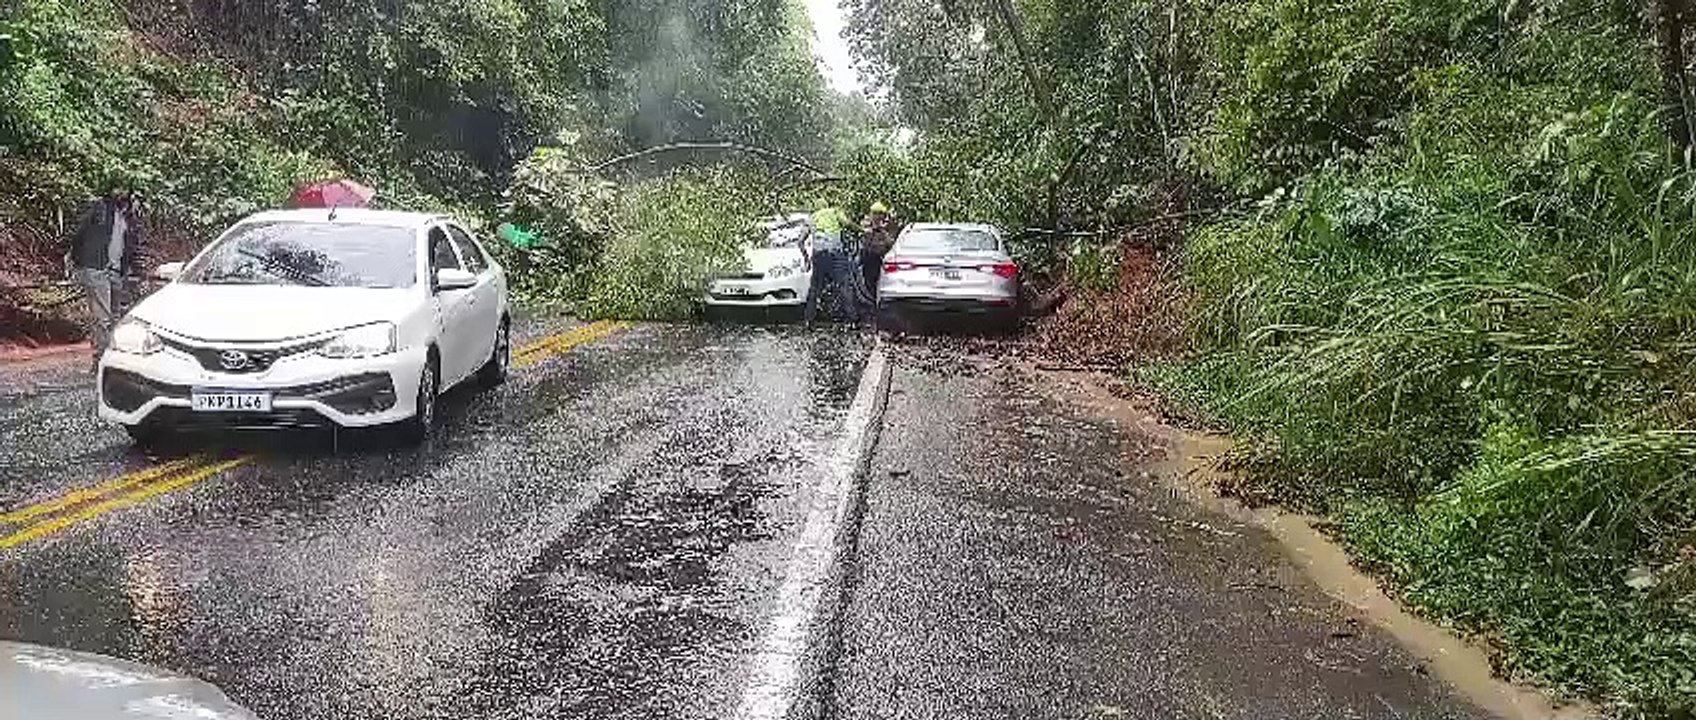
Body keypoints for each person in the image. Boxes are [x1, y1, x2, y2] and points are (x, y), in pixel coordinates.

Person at [66, 179, 144, 365]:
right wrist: (78, 261)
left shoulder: (130, 216)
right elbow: (78, 233)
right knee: (103, 317)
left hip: (117, 271)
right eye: (117, 188)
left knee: (116, 317)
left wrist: (134, 269)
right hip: (96, 268)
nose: (120, 192)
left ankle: (114, 358)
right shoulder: (100, 208)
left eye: (124, 189)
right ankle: (101, 360)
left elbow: (134, 245)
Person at [803, 199, 857, 329]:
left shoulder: (812, 218)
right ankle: (852, 321)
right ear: (827, 205)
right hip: (835, 254)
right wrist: (861, 230)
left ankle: (809, 321)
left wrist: (806, 259)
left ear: (816, 208)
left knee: (815, 289)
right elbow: (847, 223)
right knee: (844, 286)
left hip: (819, 255)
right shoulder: (835, 212)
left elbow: (800, 241)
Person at [858, 201, 898, 306]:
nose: (877, 217)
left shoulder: (888, 226)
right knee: (868, 281)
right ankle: (871, 302)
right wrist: (870, 230)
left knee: (877, 281)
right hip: (868, 256)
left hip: (880, 258)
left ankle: (876, 302)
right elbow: (863, 237)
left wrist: (882, 231)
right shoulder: (866, 224)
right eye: (875, 214)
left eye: (879, 214)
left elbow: (891, 242)